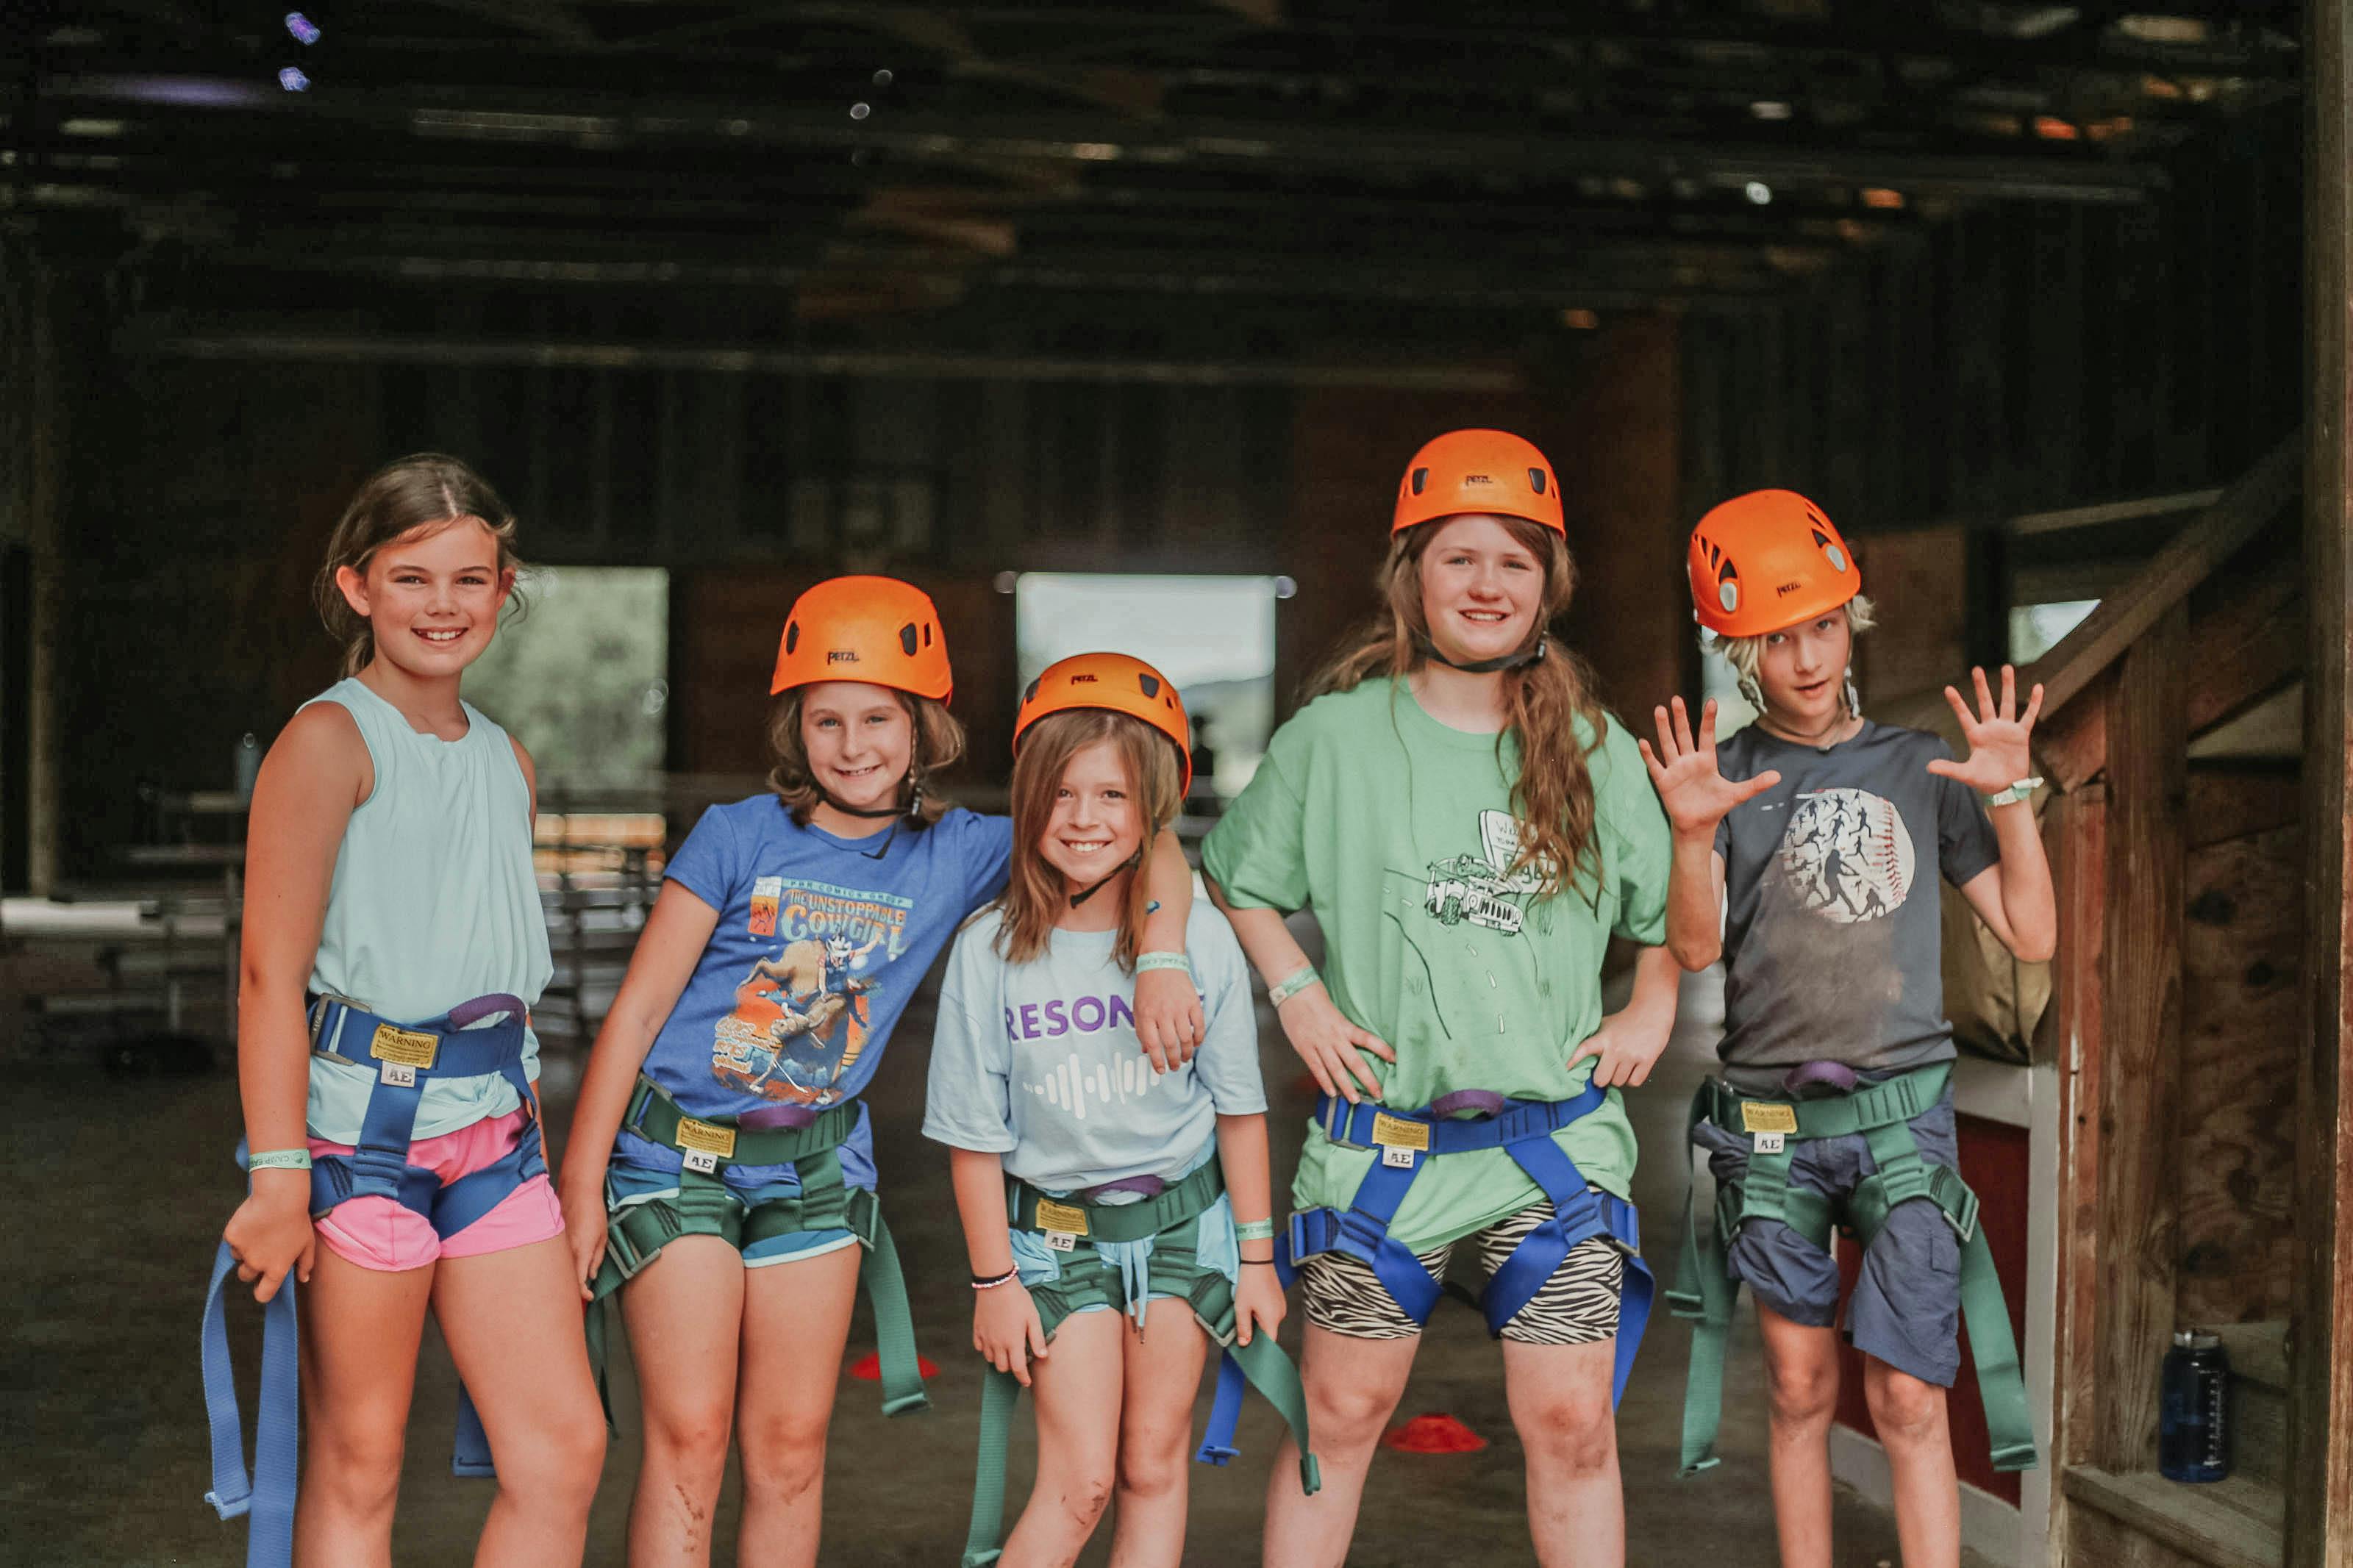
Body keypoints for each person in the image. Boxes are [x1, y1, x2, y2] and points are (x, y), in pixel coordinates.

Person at [556, 580, 1204, 1568]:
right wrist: (579, 1183)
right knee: (691, 1439)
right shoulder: (736, 834)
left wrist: (1160, 957)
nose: (852, 745)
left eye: (878, 720)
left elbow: (1144, 840)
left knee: (789, 1448)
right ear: (796, 727)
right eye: (827, 720)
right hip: (673, 1160)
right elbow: (637, 1011)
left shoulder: (954, 851)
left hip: (814, 1172)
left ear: (921, 727)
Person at [1201, 429, 1682, 1568]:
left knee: (1572, 1423)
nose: (1487, 584)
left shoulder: (1595, 747)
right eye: (1459, 557)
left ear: (1549, 585)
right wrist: (1297, 992)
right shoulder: (1334, 739)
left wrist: (1654, 1002)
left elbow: (1672, 914)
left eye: (1516, 561)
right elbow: (1233, 879)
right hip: (1384, 1148)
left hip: (1553, 1146)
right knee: (1339, 1418)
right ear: (1410, 574)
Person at [205, 454, 604, 1568]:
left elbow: (498, 985)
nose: (443, 605)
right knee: (362, 1459)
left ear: (503, 588)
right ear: (357, 586)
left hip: (496, 1146)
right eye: (412, 577)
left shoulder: (506, 761)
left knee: (562, 1452)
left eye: (469, 579)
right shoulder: (328, 741)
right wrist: (277, 1179)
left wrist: (536, 1144)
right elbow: (267, 977)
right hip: (362, 1145)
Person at [1643, 488, 2054, 1568]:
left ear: (1850, 623)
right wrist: (1688, 836)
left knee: (1910, 1396)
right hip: (1770, 1131)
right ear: (1740, 652)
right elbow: (1692, 949)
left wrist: (2011, 799)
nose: (1807, 658)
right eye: (1778, 639)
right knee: (1797, 1388)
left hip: (1900, 1123)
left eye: (1822, 626)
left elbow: (2032, 931)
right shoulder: (1722, 781)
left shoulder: (1923, 767)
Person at [926, 652, 1314, 1568]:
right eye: (1061, 794)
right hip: (1053, 1241)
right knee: (1080, 1484)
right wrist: (993, 1284)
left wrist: (1257, 1261)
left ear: (1152, 808)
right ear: (1029, 799)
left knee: (1150, 1466)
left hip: (1181, 1230)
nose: (1083, 819)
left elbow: (1238, 1112)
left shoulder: (1198, 942)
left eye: (1111, 796)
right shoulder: (987, 950)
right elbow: (972, 1141)